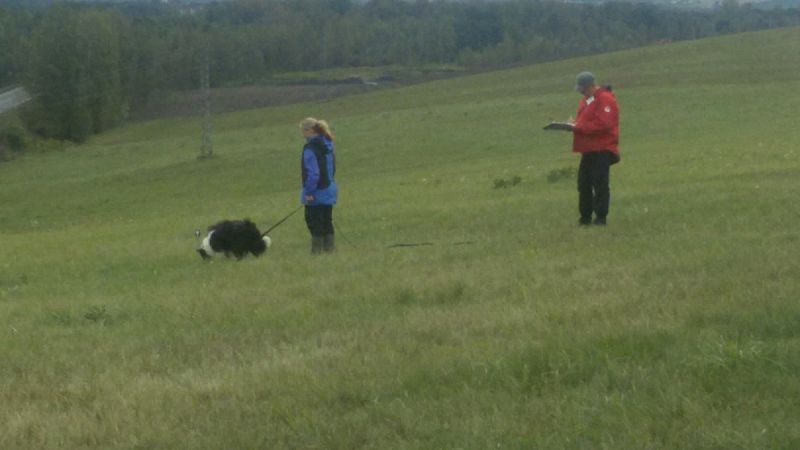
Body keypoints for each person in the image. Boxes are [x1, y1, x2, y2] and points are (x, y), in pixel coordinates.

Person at [569, 71, 620, 226]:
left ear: (592, 85)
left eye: (583, 89)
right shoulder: (586, 101)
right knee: (583, 184)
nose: (581, 92)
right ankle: (585, 218)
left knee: (600, 184)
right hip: (588, 150)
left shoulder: (605, 99)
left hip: (601, 149)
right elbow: (584, 121)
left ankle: (601, 218)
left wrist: (580, 127)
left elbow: (604, 124)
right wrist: (573, 124)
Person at [299, 117, 337, 253]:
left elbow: (313, 174)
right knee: (327, 220)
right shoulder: (328, 143)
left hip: (316, 191)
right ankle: (329, 250)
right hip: (329, 189)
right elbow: (332, 168)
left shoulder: (310, 148)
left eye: (303, 132)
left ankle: (317, 252)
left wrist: (309, 193)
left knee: (313, 221)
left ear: (309, 131)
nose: (302, 135)